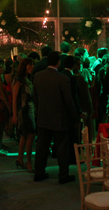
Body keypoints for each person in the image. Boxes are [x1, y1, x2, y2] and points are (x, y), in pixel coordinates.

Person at [33, 51, 78, 184]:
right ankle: (63, 175)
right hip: (60, 118)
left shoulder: (38, 76)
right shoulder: (63, 79)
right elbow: (68, 101)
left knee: (42, 147)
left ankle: (39, 172)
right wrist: (74, 118)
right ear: (58, 62)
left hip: (43, 117)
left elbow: (35, 98)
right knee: (62, 148)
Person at [12, 57, 36, 172]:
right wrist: (14, 115)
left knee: (24, 136)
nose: (32, 67)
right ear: (24, 66)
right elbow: (14, 97)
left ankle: (20, 159)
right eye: (29, 65)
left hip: (29, 109)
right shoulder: (20, 79)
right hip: (24, 110)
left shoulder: (28, 78)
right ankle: (29, 162)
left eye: (32, 64)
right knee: (30, 135)